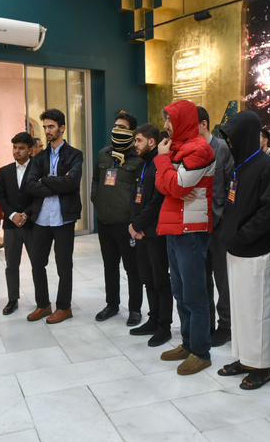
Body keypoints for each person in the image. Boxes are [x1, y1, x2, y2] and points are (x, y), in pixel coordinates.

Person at [216, 111, 270, 390]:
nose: (229, 142)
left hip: (257, 253)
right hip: (237, 250)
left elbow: (269, 211)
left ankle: (263, 365)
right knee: (242, 309)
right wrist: (228, 234)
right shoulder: (240, 166)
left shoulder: (266, 166)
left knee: (259, 311)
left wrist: (242, 236)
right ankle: (245, 359)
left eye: (233, 137)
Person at [155, 99, 215, 376]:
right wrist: (168, 172)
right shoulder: (176, 149)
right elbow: (165, 185)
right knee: (180, 292)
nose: (165, 126)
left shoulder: (200, 149)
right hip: (173, 227)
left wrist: (162, 161)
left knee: (195, 294)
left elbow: (176, 187)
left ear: (183, 121)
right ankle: (188, 344)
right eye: (165, 120)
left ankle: (201, 352)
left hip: (191, 230)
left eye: (169, 120)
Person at [25, 109, 84, 324]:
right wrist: (57, 182)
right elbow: (30, 185)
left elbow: (72, 182)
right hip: (41, 218)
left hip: (63, 218)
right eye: (45, 127)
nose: (47, 131)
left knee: (63, 265)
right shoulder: (39, 157)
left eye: (51, 126)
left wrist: (45, 180)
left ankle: (64, 307)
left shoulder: (74, 154)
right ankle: (43, 305)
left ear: (62, 128)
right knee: (37, 263)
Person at [92, 111, 144, 326]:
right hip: (105, 221)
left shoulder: (137, 158)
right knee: (109, 265)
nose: (117, 131)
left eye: (122, 128)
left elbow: (141, 190)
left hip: (126, 223)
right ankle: (112, 304)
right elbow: (96, 180)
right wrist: (96, 200)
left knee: (132, 269)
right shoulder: (104, 154)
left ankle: (135, 309)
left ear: (132, 132)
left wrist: (135, 219)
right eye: (115, 127)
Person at [128, 124, 172, 346]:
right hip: (142, 232)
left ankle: (165, 326)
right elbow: (136, 197)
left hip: (156, 232)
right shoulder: (142, 165)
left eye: (139, 141)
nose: (135, 145)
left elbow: (158, 200)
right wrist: (134, 225)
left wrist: (137, 223)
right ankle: (153, 319)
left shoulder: (160, 164)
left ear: (151, 142)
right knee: (147, 279)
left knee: (161, 280)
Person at [196, 106, 234, 347]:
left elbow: (231, 187)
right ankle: (207, 322)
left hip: (219, 224)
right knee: (202, 279)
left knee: (223, 279)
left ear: (204, 124)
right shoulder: (189, 150)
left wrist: (226, 219)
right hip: (196, 225)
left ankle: (226, 325)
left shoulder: (222, 149)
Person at [0, 132, 36, 316]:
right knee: (11, 264)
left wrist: (26, 214)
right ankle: (13, 299)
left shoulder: (38, 168)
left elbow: (40, 196)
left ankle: (41, 300)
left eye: (21, 148)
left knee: (37, 263)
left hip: (33, 224)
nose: (17, 151)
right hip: (11, 226)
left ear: (30, 149)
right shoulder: (5, 171)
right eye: (15, 147)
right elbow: (1, 196)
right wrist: (12, 215)